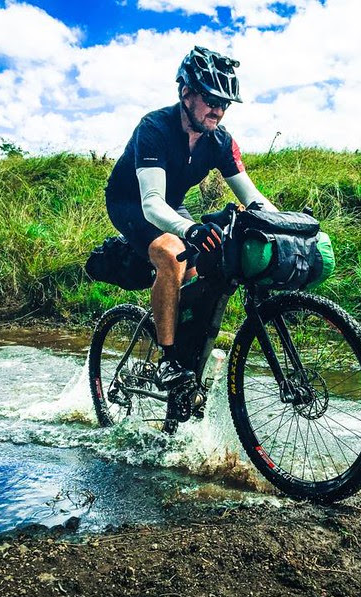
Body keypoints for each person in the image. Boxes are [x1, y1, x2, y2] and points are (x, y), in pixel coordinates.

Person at [104, 46, 278, 391]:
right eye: (211, 100)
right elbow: (152, 203)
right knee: (172, 254)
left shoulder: (220, 141)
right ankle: (168, 361)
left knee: (200, 276)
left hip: (171, 204)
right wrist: (191, 229)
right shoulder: (154, 128)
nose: (219, 110)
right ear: (186, 93)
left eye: (225, 103)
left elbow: (253, 198)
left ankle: (184, 354)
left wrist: (288, 224)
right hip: (132, 203)